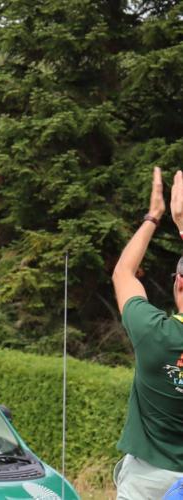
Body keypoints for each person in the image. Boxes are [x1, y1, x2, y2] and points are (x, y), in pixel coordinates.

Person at [110, 166, 183, 499]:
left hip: (146, 481)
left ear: (178, 283)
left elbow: (123, 272)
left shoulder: (153, 333)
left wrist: (153, 217)